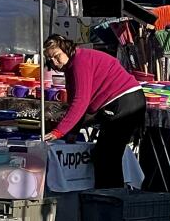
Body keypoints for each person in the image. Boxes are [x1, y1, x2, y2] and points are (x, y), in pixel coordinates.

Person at [41, 34, 144, 189]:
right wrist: (73, 131)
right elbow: (75, 100)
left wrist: (59, 131)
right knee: (105, 156)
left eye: (57, 56)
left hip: (125, 102)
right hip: (121, 101)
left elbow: (80, 101)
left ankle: (110, 200)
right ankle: (108, 197)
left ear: (66, 49)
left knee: (107, 157)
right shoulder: (71, 65)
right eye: (50, 60)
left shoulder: (80, 62)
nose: (55, 63)